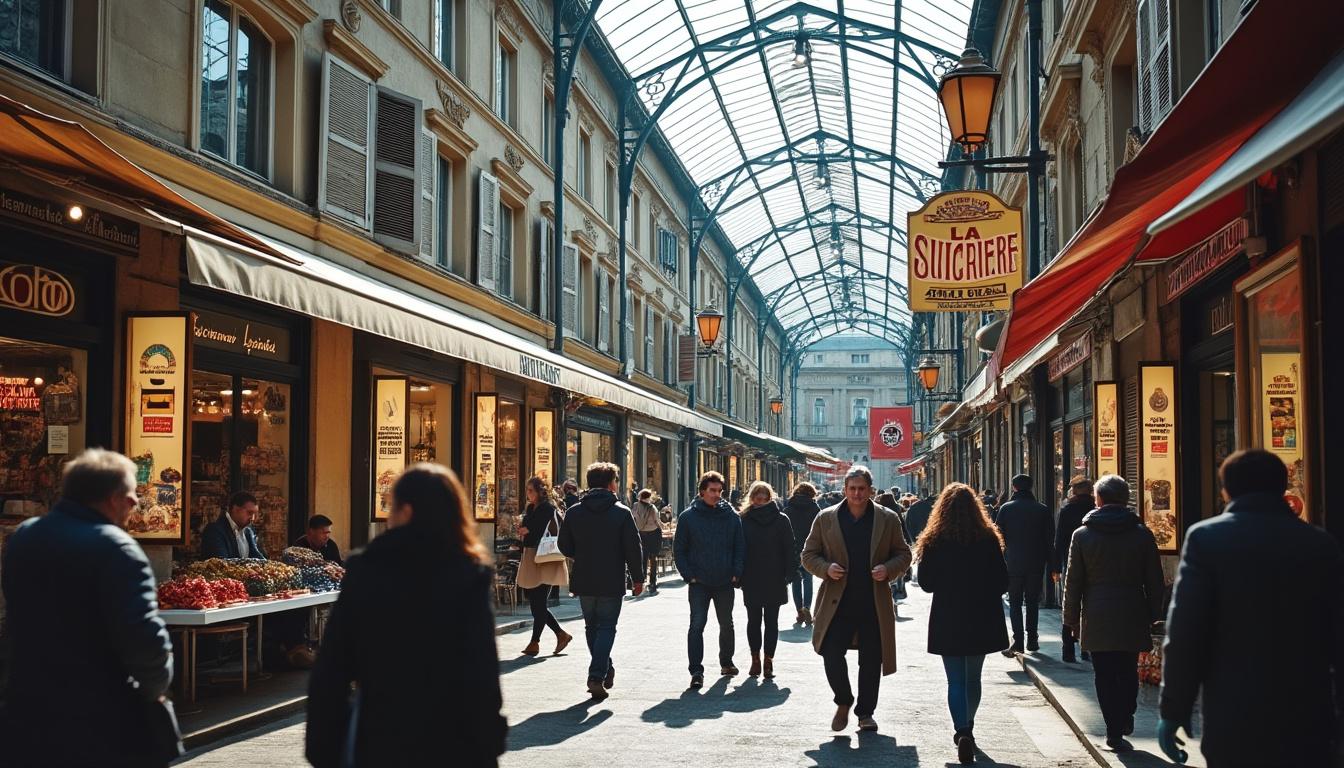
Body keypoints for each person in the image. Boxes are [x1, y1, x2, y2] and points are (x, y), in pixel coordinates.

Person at [307, 463, 506, 767]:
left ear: (408, 511)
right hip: (452, 740)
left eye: (392, 507)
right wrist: (487, 743)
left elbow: (333, 666)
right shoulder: (467, 575)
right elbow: (481, 671)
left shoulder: (367, 569)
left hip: (380, 736)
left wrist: (323, 747)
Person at [1158, 450, 1344, 767]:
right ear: (1283, 488)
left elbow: (1186, 632)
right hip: (1307, 707)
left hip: (1233, 708)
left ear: (1226, 491)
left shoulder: (1207, 539)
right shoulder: (1320, 544)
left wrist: (1174, 709)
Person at [0, 448, 180, 767]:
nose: (135, 502)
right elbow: (143, 641)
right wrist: (157, 685)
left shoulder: (24, 538)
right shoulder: (118, 548)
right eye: (130, 494)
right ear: (111, 498)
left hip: (27, 709)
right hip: (100, 716)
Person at [801, 466, 912, 733]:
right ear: (844, 490)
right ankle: (843, 699)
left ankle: (865, 713)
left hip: (873, 602)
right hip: (837, 602)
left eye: (862, 489)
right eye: (852, 489)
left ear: (871, 490)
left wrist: (889, 569)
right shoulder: (826, 518)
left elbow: (904, 554)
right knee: (830, 652)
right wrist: (825, 568)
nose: (857, 494)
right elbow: (808, 555)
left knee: (872, 660)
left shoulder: (887, 519)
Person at [1062, 474, 1163, 752]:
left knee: (1104, 673)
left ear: (1100, 499)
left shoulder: (1082, 535)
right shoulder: (1142, 534)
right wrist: (1155, 613)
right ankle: (1127, 713)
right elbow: (1154, 579)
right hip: (1132, 609)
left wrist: (1070, 619)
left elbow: (1074, 582)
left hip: (1096, 612)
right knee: (1128, 668)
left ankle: (1113, 730)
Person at [916, 483, 1010, 764]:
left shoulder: (934, 539)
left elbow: (926, 583)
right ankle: (969, 725)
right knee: (973, 677)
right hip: (981, 615)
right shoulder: (988, 538)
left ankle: (962, 730)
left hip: (949, 615)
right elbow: (1003, 581)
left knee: (955, 679)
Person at [557, 462, 644, 701]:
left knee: (592, 626)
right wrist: (638, 578)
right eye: (616, 480)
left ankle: (603, 667)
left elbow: (563, 545)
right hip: (611, 578)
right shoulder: (621, 512)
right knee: (606, 626)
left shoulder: (575, 512)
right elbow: (633, 550)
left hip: (584, 578)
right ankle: (597, 675)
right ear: (610, 484)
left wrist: (580, 555)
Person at [674, 471, 746, 688]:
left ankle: (726, 662)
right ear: (702, 491)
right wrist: (689, 575)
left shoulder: (731, 516)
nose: (716, 494)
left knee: (727, 623)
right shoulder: (688, 517)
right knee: (697, 625)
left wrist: (736, 571)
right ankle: (696, 671)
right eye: (712, 490)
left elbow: (739, 546)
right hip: (699, 582)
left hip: (724, 580)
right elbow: (680, 550)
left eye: (719, 491)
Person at [738, 481, 794, 679]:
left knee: (771, 621)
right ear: (751, 498)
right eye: (757, 498)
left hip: (774, 577)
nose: (760, 502)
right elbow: (738, 549)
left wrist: (789, 574)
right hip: (752, 577)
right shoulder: (743, 519)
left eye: (764, 499)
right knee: (754, 621)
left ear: (770, 499)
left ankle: (768, 660)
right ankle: (756, 659)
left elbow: (789, 548)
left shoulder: (781, 520)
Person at [993, 474, 1053, 654]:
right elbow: (1050, 540)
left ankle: (1018, 641)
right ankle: (1032, 640)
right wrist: (1054, 566)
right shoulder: (1042, 510)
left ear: (1014, 488)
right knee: (1032, 601)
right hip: (1036, 563)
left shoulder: (1006, 509)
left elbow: (998, 538)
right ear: (1031, 487)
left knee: (1015, 602)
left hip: (1012, 563)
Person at [515, 476, 573, 657]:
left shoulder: (547, 508)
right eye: (527, 490)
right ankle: (560, 634)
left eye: (531, 490)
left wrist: (527, 530)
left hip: (547, 558)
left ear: (540, 491)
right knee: (535, 602)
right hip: (532, 556)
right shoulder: (532, 508)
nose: (528, 494)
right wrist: (526, 529)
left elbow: (535, 532)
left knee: (538, 602)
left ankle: (535, 642)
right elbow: (527, 530)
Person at [1051, 478, 1095, 662]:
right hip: (1094, 561)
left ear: (1075, 491)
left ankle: (1068, 648)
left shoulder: (1068, 509)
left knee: (1070, 604)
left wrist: (1055, 567)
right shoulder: (1095, 508)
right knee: (1088, 603)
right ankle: (1086, 648)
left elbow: (1060, 539)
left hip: (1071, 561)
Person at [784, 482, 821, 625]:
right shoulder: (815, 509)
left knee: (796, 581)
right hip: (809, 550)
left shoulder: (789, 509)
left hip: (793, 549)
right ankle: (807, 607)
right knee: (808, 579)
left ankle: (799, 610)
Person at [201, 490, 266, 559]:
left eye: (255, 514)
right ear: (235, 509)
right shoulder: (214, 531)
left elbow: (259, 558)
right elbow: (221, 564)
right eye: (249, 513)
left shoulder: (249, 530)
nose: (253, 519)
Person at [632, 489, 664, 595]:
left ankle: (642, 581)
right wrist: (662, 528)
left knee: (643, 558)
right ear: (649, 497)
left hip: (641, 534)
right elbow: (657, 521)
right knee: (653, 558)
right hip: (653, 534)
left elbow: (633, 518)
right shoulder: (652, 507)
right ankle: (653, 582)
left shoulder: (635, 506)